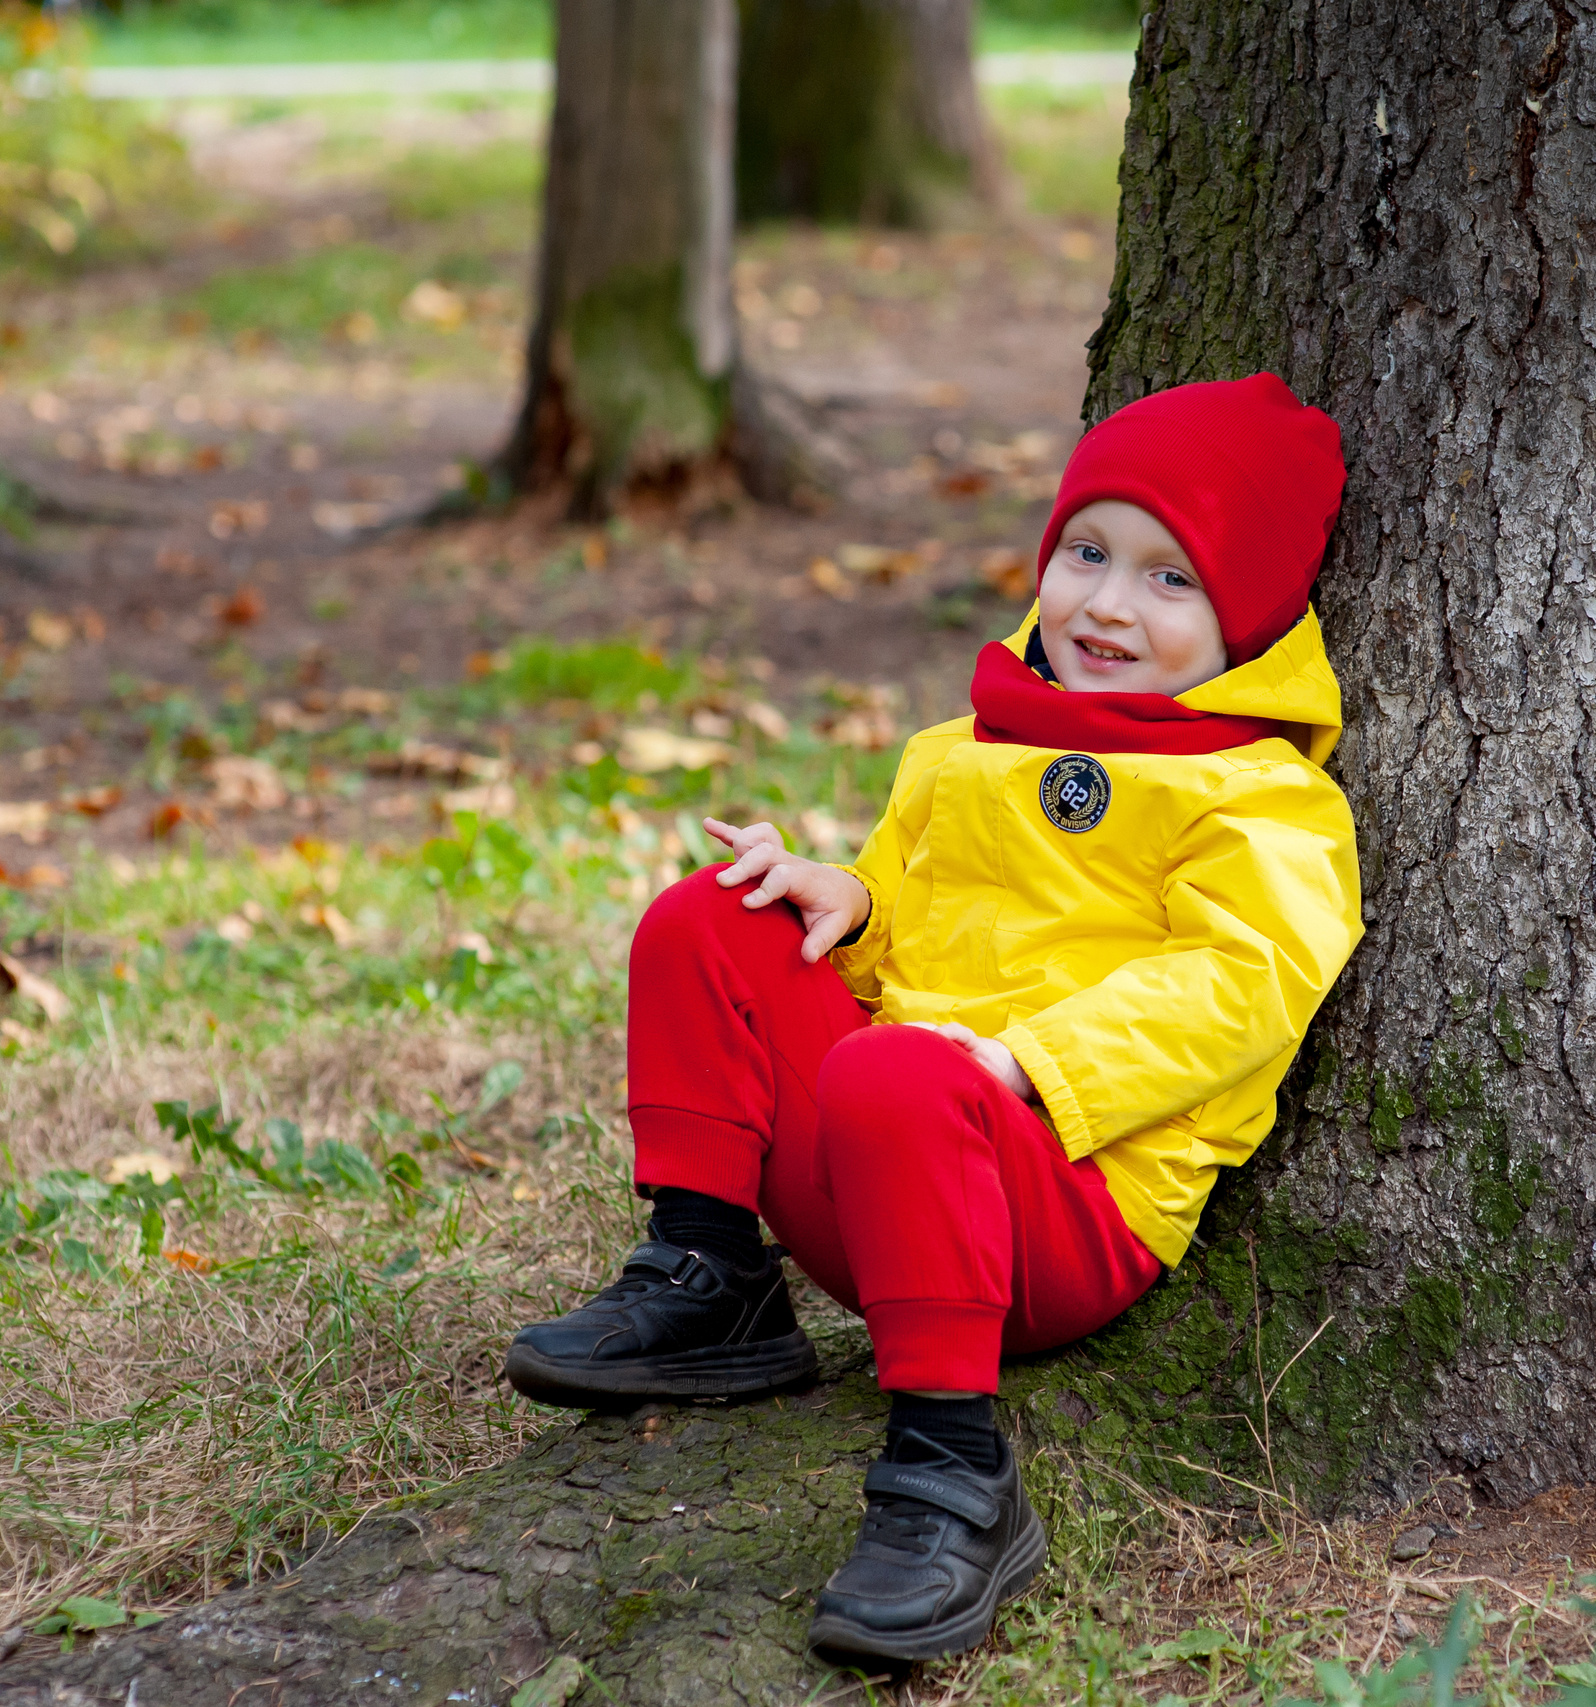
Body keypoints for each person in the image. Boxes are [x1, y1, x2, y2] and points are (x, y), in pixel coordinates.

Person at [501, 373, 1363, 1667]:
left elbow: (1240, 987)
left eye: (1171, 579)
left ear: (1246, 616)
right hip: (886, 1153)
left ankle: (951, 1469)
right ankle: (709, 1276)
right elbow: (917, 915)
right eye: (1086, 552)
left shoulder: (1262, 801)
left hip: (1062, 1208)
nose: (1107, 604)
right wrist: (845, 902)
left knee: (898, 1073)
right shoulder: (969, 744)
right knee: (711, 917)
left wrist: (1027, 1063)